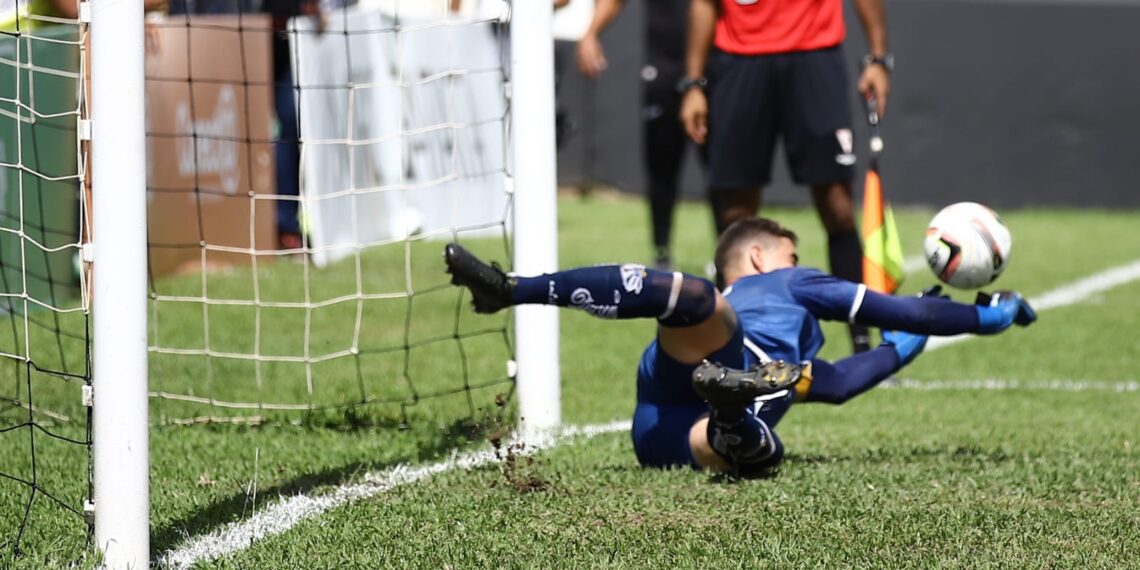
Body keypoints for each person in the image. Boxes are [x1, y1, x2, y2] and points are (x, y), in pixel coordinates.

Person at [443, 217, 1037, 476]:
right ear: (759, 258)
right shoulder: (787, 283)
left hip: (661, 436)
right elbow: (902, 309)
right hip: (716, 354)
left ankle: (731, 415)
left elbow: (838, 383)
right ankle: (510, 288)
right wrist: (987, 319)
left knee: (762, 450)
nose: (802, 266)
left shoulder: (797, 364)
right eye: (792, 254)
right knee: (701, 301)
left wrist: (905, 348)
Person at [679, 0, 892, 353]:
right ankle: (735, 345)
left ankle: (863, 347)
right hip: (738, 61)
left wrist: (878, 58)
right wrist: (693, 83)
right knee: (735, 215)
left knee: (838, 206)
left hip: (814, 55)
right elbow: (703, 3)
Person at [576, 0, 714, 269]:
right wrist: (591, 33)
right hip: (663, 70)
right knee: (661, 166)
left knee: (723, 172)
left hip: (717, 70)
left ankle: (728, 256)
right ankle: (661, 253)